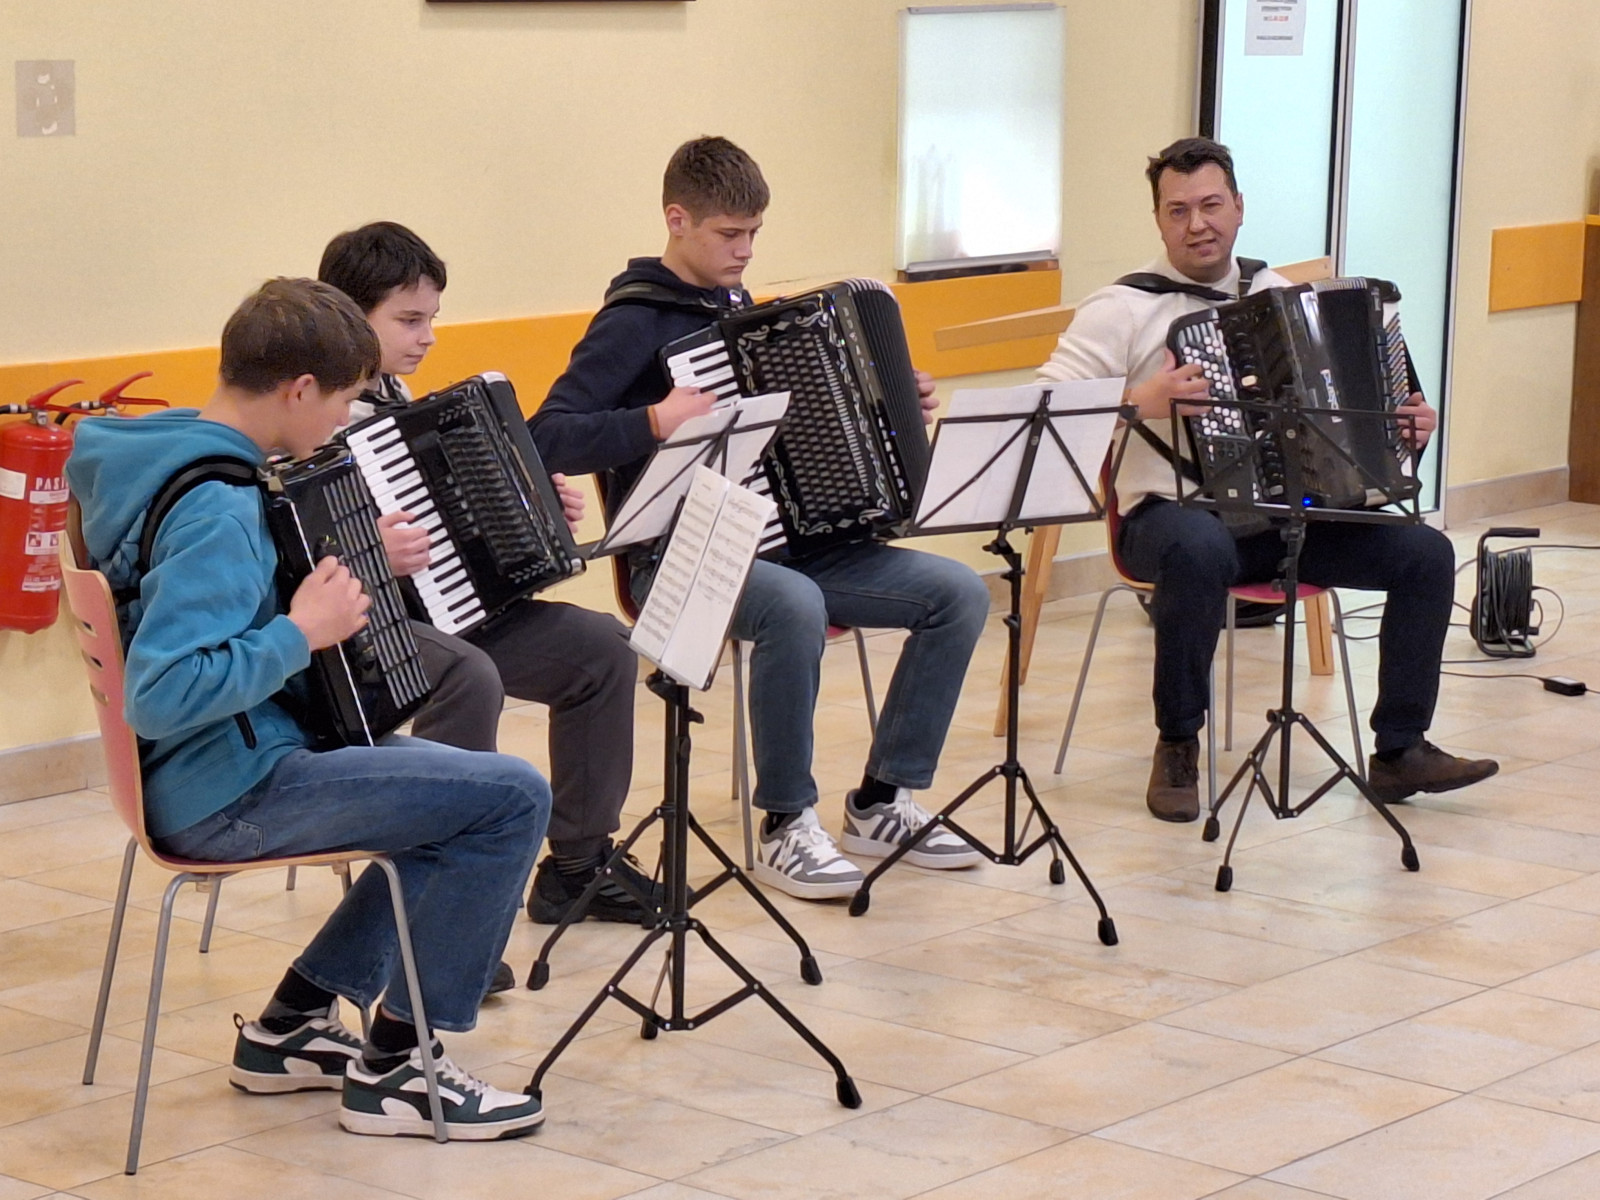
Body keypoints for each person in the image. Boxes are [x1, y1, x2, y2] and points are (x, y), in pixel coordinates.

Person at [66, 278, 551, 1140]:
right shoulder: (216, 508)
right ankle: (400, 1069)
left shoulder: (167, 452)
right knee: (511, 798)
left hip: (211, 771)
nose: (343, 420)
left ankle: (289, 1027)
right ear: (297, 391)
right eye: (342, 400)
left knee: (461, 799)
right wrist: (301, 634)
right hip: (227, 792)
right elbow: (161, 693)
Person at [529, 136, 990, 901]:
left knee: (958, 593)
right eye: (729, 234)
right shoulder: (633, 322)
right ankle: (786, 823)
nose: (745, 250)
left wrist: (890, 400)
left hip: (792, 544)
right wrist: (651, 421)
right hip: (680, 559)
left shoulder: (747, 314)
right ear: (677, 220)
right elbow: (547, 434)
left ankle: (881, 802)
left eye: (754, 233)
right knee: (793, 604)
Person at [1037, 136, 1498, 822]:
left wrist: (1402, 429)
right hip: (1163, 521)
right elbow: (1043, 410)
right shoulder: (1121, 308)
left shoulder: (1280, 294)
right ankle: (1178, 744)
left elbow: (1345, 415)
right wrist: (1139, 401)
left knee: (1424, 553)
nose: (1197, 224)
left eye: (1211, 205)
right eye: (1178, 211)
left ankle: (1400, 750)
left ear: (1239, 207)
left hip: (1284, 523)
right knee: (1198, 547)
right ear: (1158, 220)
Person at [318, 223, 658, 931]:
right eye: (409, 320)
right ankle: (440, 908)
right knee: (466, 675)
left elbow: (457, 529)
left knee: (603, 650)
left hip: (444, 616)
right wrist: (369, 552)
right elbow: (296, 554)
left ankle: (577, 866)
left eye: (431, 319)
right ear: (349, 316)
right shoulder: (313, 415)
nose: (428, 337)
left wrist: (535, 506)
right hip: (362, 637)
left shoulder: (395, 400)